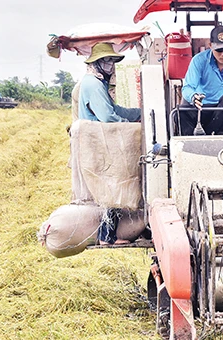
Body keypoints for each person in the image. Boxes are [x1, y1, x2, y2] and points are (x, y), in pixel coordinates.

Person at [78, 42, 141, 245]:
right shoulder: (93, 85)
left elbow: (114, 109)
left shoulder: (96, 83)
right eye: (107, 61)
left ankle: (110, 235)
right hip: (100, 141)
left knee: (110, 186)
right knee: (112, 186)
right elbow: (108, 117)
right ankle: (107, 237)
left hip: (99, 140)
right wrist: (130, 123)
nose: (111, 65)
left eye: (113, 61)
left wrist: (137, 113)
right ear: (97, 63)